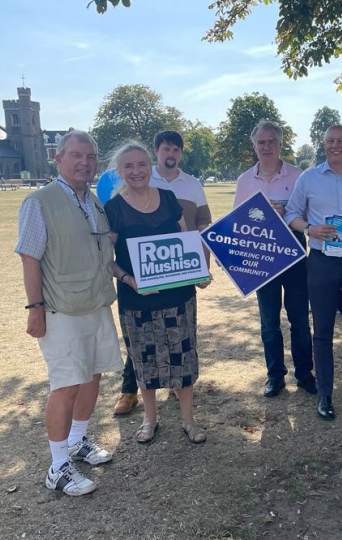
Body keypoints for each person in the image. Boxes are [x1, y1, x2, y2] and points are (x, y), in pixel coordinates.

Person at [15, 130, 120, 496]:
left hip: (96, 304)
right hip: (61, 309)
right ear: (58, 159)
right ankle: (57, 466)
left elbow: (102, 252)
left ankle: (77, 441)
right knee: (66, 384)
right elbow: (30, 258)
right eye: (76, 155)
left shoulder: (93, 202)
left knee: (93, 376)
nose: (84, 163)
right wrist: (35, 308)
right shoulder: (39, 202)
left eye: (90, 156)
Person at [104, 140, 209, 444]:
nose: (136, 171)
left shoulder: (167, 197)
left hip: (179, 295)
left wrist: (199, 270)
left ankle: (188, 420)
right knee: (144, 359)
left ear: (150, 166)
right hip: (137, 298)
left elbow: (185, 239)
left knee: (183, 356)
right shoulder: (113, 208)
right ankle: (150, 420)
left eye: (141, 164)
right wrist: (127, 278)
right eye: (129, 166)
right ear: (119, 171)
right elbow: (105, 258)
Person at [284, 124, 342, 420]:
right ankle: (325, 393)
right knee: (322, 329)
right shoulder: (308, 178)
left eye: (341, 141)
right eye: (330, 141)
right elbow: (291, 214)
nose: (335, 145)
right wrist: (310, 228)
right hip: (321, 260)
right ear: (323, 145)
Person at [234, 120, 316, 398]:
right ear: (253, 145)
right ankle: (275, 376)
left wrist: (287, 212)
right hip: (262, 258)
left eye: (272, 141)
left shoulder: (299, 176)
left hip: (293, 254)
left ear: (281, 144)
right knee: (269, 322)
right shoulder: (245, 180)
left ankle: (305, 374)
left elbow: (310, 216)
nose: (266, 147)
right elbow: (237, 222)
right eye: (261, 142)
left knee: (300, 320)